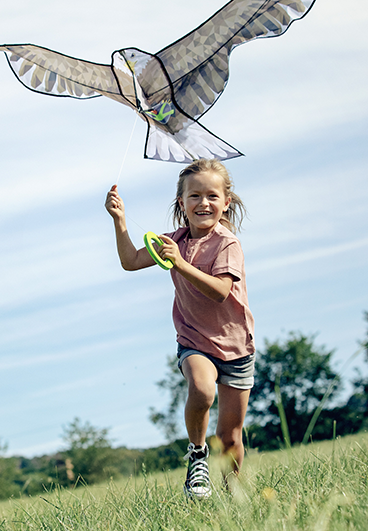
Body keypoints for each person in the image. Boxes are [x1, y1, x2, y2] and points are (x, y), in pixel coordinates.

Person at [104, 159, 254, 500]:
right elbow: (130, 261)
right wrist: (120, 221)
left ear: (226, 201)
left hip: (237, 347)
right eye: (195, 196)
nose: (204, 203)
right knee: (202, 390)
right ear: (181, 203)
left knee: (230, 436)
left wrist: (180, 263)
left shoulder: (227, 244)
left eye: (212, 196)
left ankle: (235, 498)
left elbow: (220, 291)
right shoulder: (174, 241)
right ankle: (197, 456)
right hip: (194, 341)